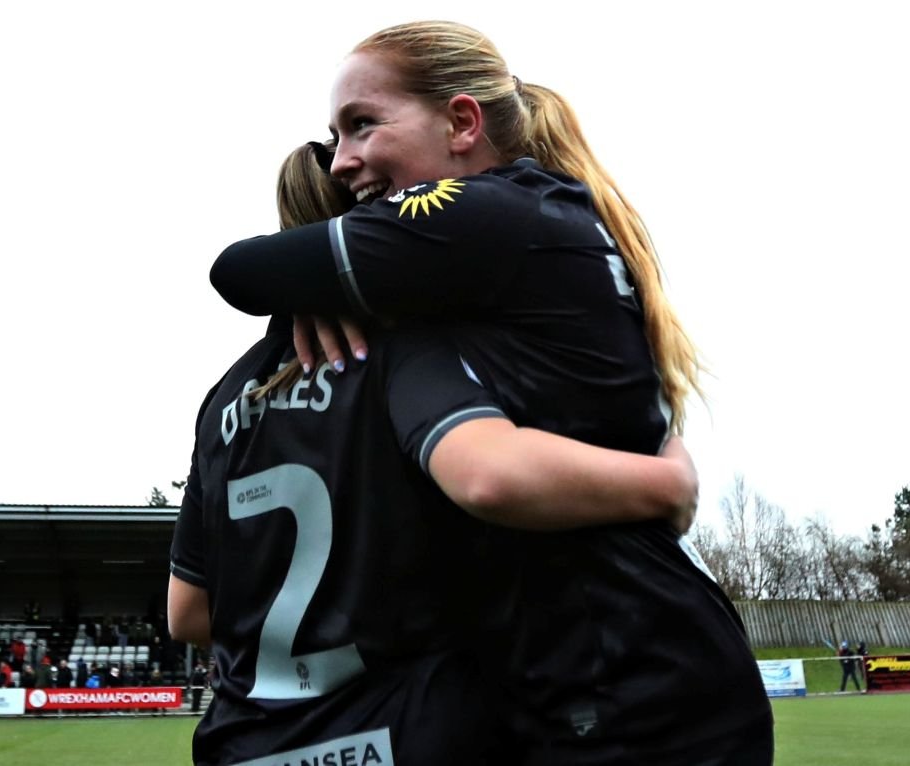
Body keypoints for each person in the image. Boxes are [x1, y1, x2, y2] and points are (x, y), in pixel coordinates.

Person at [207, 20, 772, 765]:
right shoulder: (523, 224)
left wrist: (664, 485)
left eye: (363, 125)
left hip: (624, 680)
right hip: (614, 665)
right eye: (335, 138)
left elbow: (238, 270)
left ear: (463, 122)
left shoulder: (482, 216)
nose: (344, 161)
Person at [169, 141, 699, 764]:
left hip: (244, 744)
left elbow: (187, 612)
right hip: (397, 734)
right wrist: (667, 481)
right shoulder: (402, 354)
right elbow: (489, 474)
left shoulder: (225, 397)